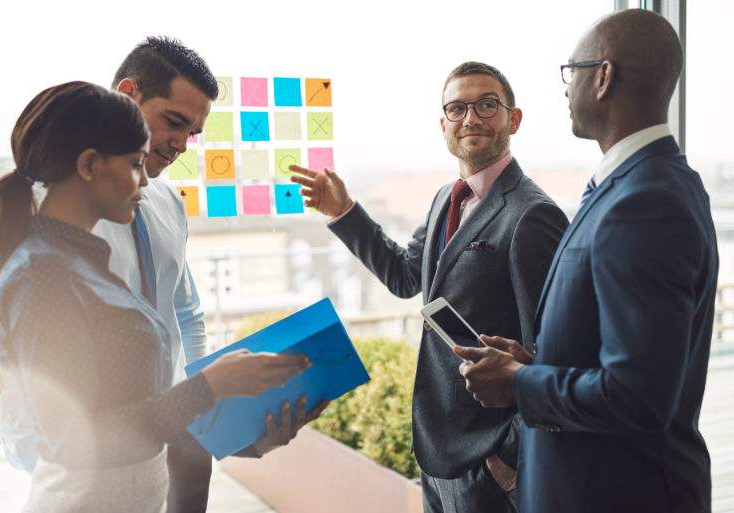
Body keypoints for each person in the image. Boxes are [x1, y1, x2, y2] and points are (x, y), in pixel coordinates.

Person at [0, 37, 327, 513]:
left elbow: (184, 315)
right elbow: (35, 396)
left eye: (192, 133)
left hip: (158, 446)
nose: (180, 146)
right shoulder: (44, 254)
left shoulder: (147, 213)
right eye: (173, 123)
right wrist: (208, 390)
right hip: (92, 476)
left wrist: (221, 415)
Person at [454, 10, 717, 513]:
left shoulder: (646, 202)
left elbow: (639, 396)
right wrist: (533, 362)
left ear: (603, 77)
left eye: (569, 72)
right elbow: (624, 354)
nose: (564, 88)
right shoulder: (642, 183)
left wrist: (516, 382)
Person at [290, 62, 568, 513]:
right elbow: (405, 276)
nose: (471, 118)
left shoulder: (532, 215)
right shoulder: (446, 197)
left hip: (490, 463)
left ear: (513, 119)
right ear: (443, 125)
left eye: (486, 105)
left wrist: (508, 459)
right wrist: (344, 212)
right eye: (457, 108)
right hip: (438, 452)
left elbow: (554, 351)